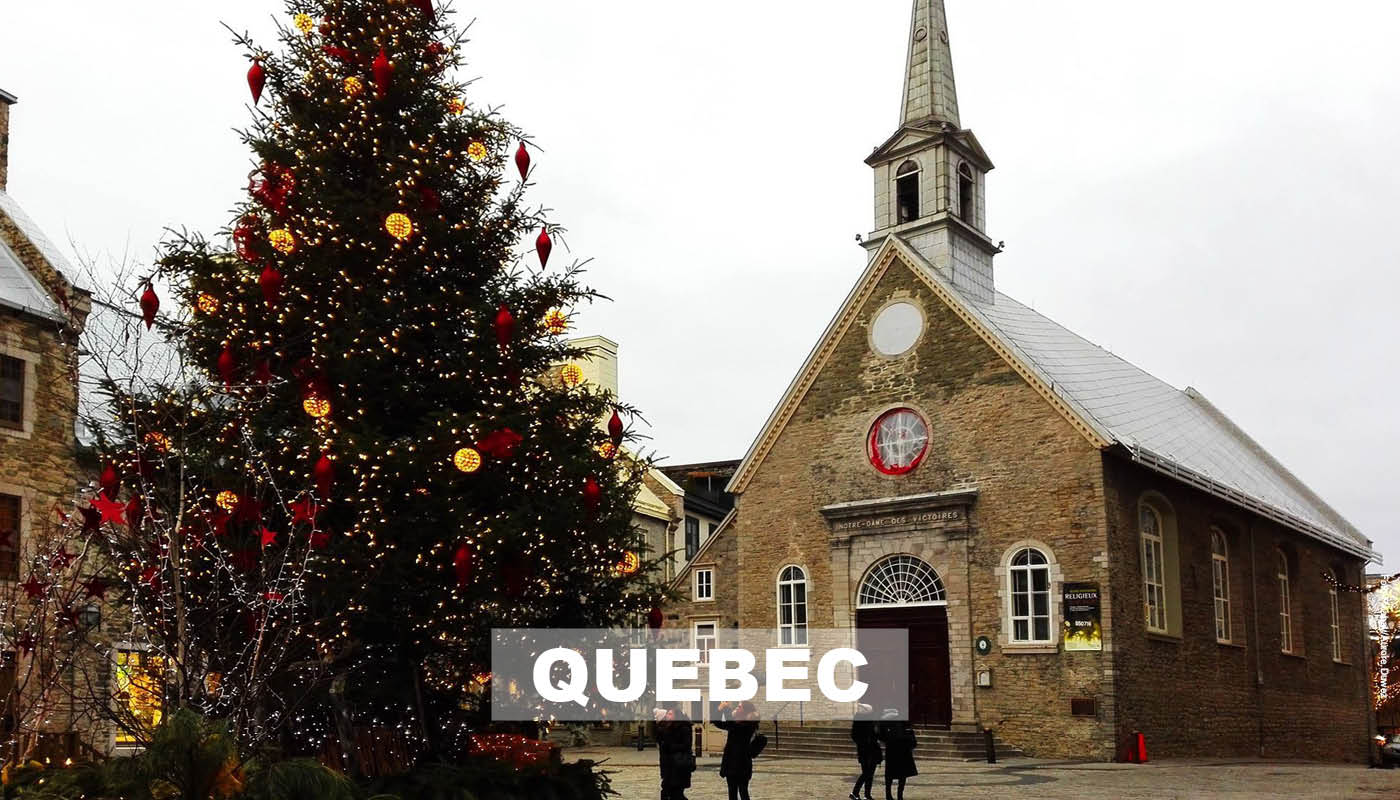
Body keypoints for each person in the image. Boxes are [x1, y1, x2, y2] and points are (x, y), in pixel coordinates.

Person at [715, 701, 760, 800]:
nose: (737, 708)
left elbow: (731, 724)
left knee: (743, 791)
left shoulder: (748, 724)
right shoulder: (737, 722)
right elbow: (717, 722)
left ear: (745, 710)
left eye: (739, 707)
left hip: (741, 763)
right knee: (732, 792)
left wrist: (726, 709)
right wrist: (719, 710)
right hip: (731, 763)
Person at [655, 703, 696, 800]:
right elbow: (659, 739)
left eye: (670, 714)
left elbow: (686, 745)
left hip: (679, 764)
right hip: (669, 766)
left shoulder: (684, 728)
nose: (667, 716)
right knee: (667, 791)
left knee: (676, 793)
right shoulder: (668, 727)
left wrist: (671, 746)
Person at [876, 710, 917, 800]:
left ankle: (889, 795)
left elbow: (880, 736)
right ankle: (899, 796)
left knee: (890, 775)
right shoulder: (903, 722)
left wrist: (888, 741)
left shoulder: (884, 723)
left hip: (892, 751)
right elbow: (911, 736)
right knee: (902, 775)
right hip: (903, 751)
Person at [849, 704, 881, 800]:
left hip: (868, 750)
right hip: (868, 750)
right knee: (867, 773)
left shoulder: (865, 721)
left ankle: (867, 795)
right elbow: (857, 736)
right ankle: (855, 792)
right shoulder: (865, 722)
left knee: (869, 773)